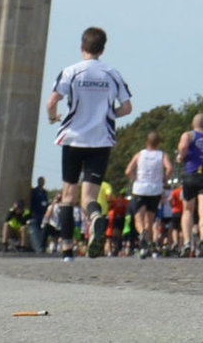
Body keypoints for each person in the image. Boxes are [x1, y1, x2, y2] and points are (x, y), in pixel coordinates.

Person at [44, 25, 132, 261]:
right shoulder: (112, 73)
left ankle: (67, 249)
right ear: (102, 49)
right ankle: (95, 218)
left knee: (68, 195)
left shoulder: (71, 72)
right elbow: (127, 107)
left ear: (81, 47)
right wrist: (109, 114)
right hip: (101, 139)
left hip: (73, 138)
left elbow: (51, 102)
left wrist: (53, 118)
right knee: (89, 198)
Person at [125, 130, 168, 258]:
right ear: (158, 143)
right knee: (150, 219)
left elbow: (128, 170)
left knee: (139, 218)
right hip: (155, 189)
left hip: (140, 189)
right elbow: (170, 168)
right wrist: (164, 179)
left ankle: (142, 234)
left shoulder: (139, 155)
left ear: (146, 142)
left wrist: (135, 179)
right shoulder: (162, 155)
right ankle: (147, 245)